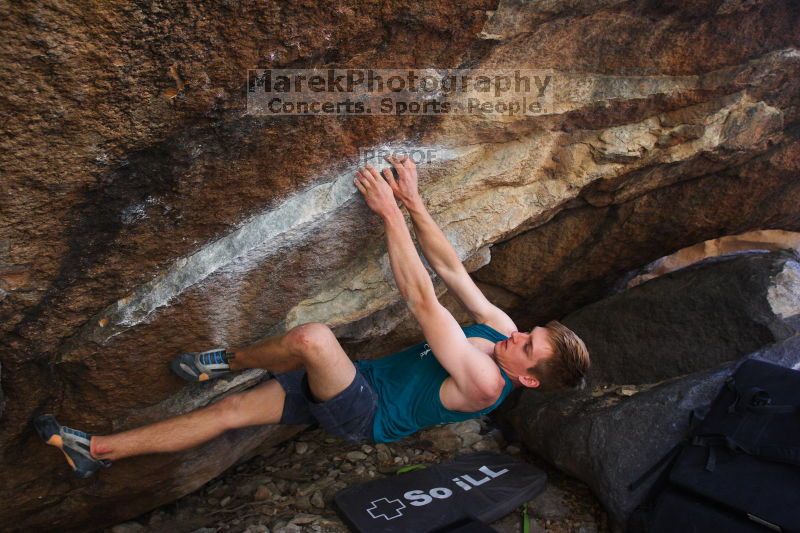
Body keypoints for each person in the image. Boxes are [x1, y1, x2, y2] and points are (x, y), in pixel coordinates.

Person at [34, 155, 590, 478]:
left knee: (315, 339)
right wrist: (415, 202)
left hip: (362, 414)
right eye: (530, 331)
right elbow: (449, 270)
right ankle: (97, 451)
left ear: (528, 377)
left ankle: (227, 360)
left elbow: (422, 300)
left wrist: (388, 214)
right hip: (360, 382)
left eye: (527, 345)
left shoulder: (485, 379)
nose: (517, 333)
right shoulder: (499, 334)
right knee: (231, 412)